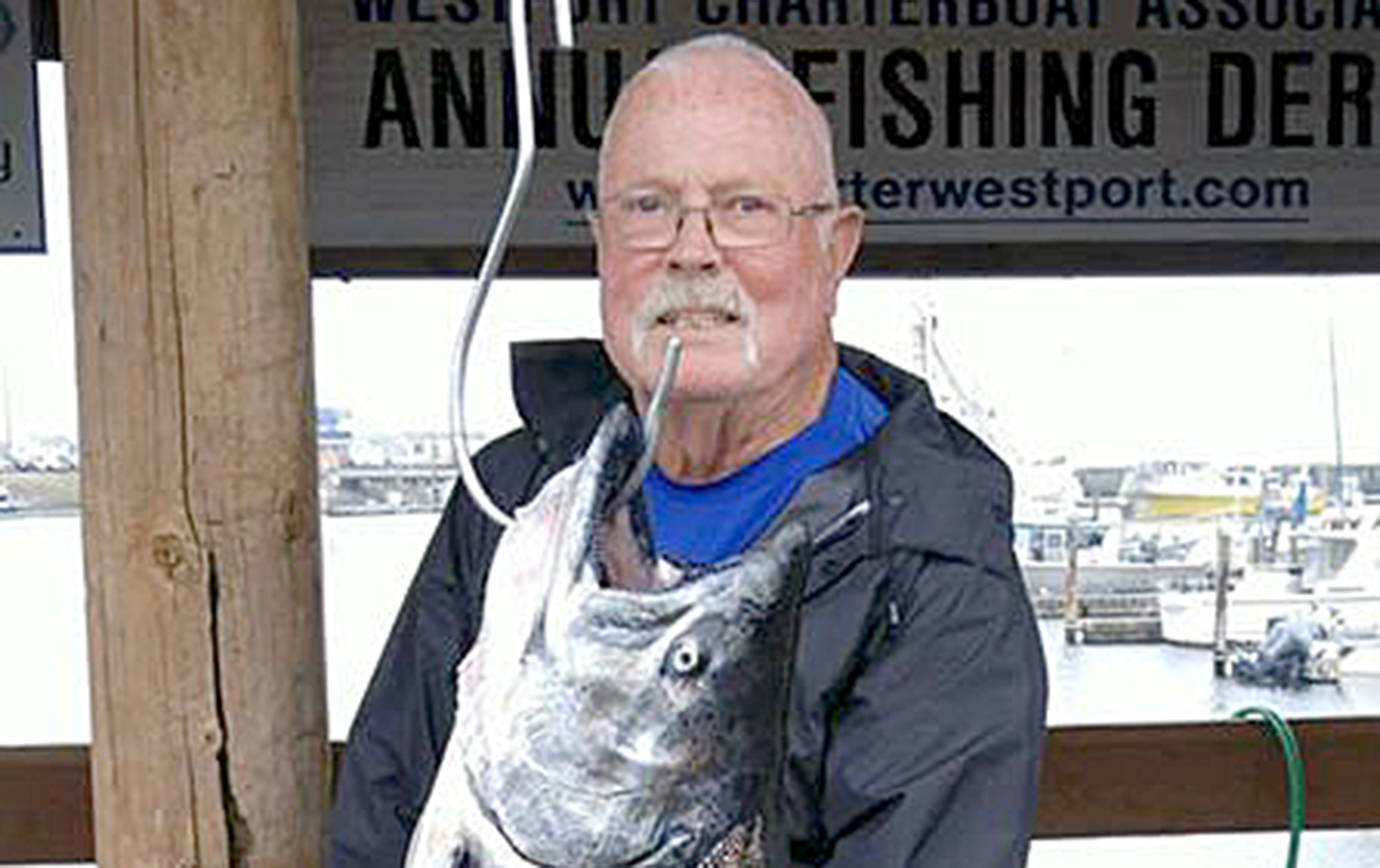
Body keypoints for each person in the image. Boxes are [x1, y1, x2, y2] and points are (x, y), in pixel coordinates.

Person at [329, 33, 1047, 867]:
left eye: (748, 208)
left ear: (836, 248)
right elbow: (381, 817)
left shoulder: (935, 571)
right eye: (648, 207)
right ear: (599, 241)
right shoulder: (516, 494)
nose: (693, 249)